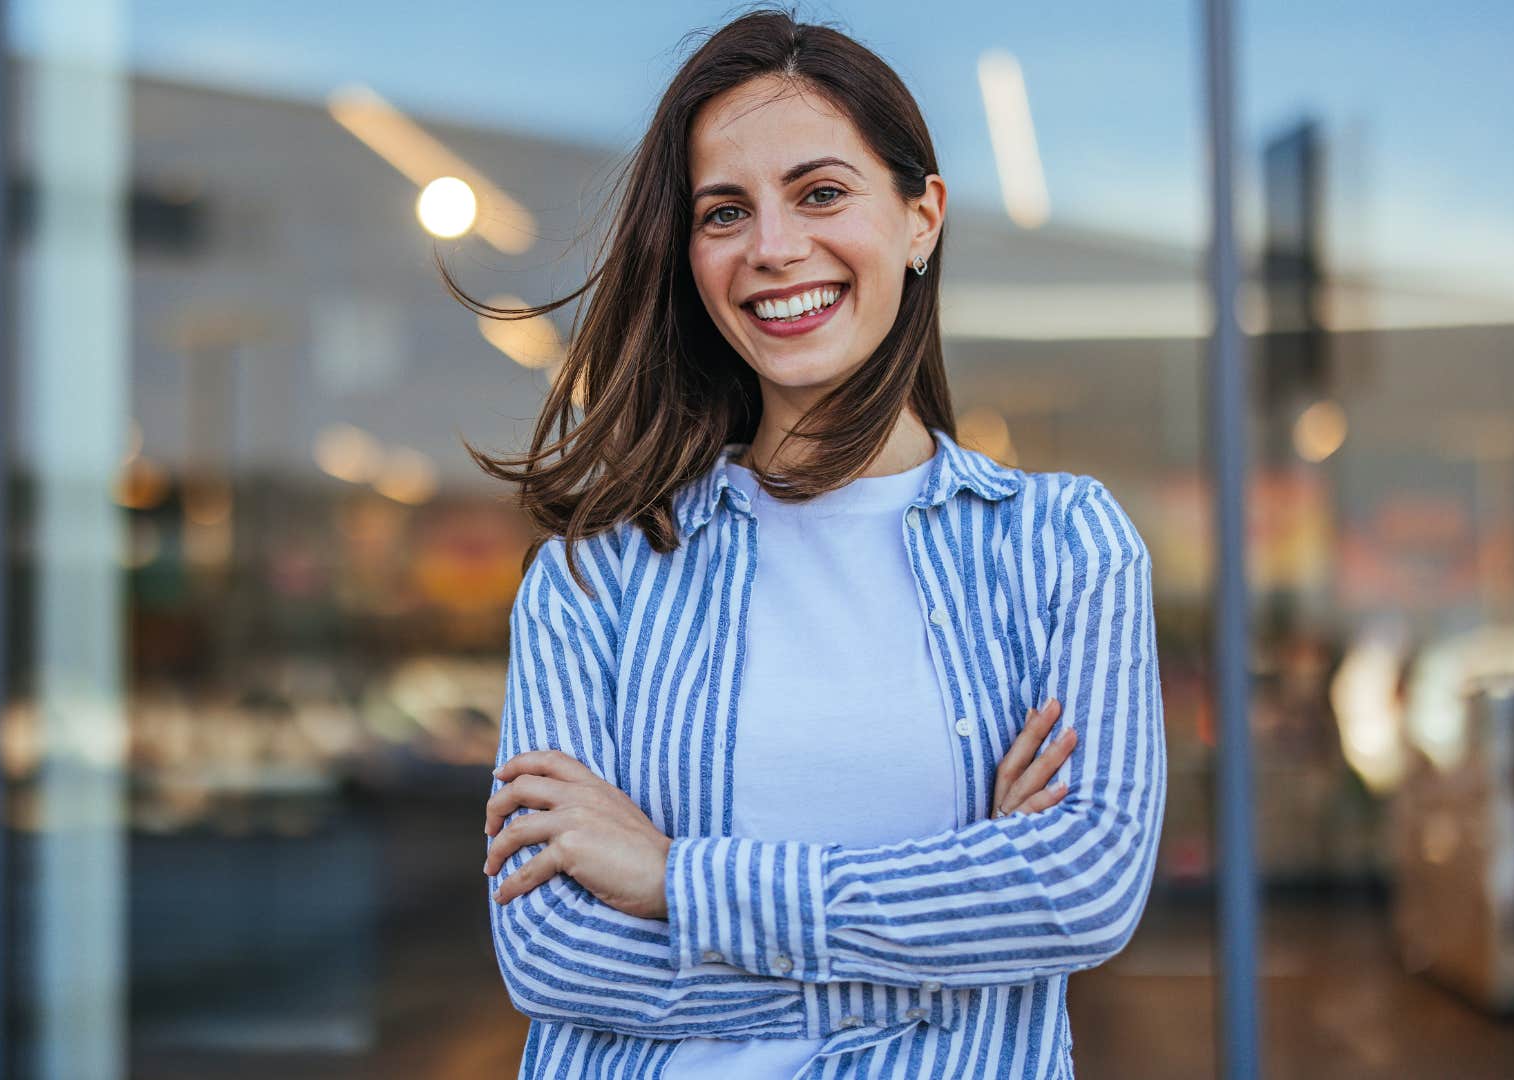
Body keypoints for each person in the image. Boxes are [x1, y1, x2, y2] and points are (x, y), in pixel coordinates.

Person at [455, 8, 1166, 1078]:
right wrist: (963, 915)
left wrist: (675, 880)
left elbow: (1081, 890)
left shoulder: (1061, 547)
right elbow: (554, 953)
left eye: (822, 192)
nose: (774, 248)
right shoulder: (593, 576)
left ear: (921, 215)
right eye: (724, 212)